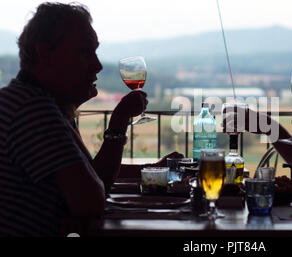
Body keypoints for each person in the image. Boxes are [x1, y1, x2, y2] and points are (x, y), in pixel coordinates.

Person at [0, 2, 181, 236]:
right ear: (45, 53)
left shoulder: (37, 102)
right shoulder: (32, 110)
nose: (97, 65)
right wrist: (118, 122)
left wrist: (153, 170)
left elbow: (89, 173)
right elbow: (91, 201)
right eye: (85, 52)